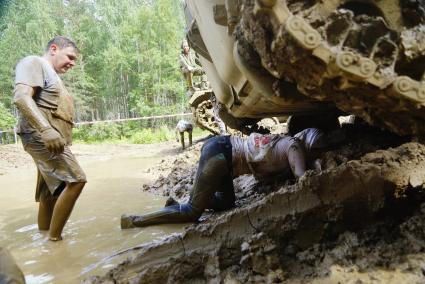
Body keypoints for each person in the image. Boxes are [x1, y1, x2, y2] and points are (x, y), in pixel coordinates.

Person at [121, 128, 329, 229]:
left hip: (222, 152)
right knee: (193, 212)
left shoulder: (282, 142)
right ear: (309, 145)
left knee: (227, 202)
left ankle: (179, 204)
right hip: (221, 155)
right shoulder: (293, 146)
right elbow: (303, 179)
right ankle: (135, 220)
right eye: (315, 152)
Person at [13, 36, 86, 241]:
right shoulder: (34, 62)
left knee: (49, 194)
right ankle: (55, 242)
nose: (72, 63)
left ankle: (43, 239)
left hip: (47, 140)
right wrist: (45, 129)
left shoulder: (51, 75)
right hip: (40, 136)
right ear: (54, 49)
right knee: (77, 180)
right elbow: (21, 97)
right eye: (69, 56)